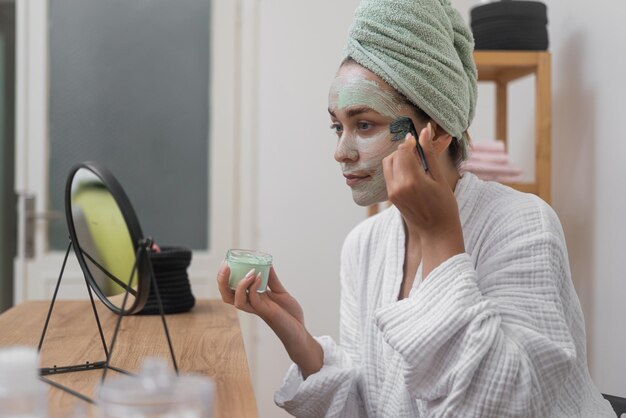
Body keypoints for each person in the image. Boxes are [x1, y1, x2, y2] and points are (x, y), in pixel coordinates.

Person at [216, 0, 615, 416]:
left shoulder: (524, 225)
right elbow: (368, 406)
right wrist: (298, 338)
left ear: (437, 130)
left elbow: (502, 405)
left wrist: (441, 237)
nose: (340, 151)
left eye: (364, 124)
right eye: (338, 126)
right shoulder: (364, 245)